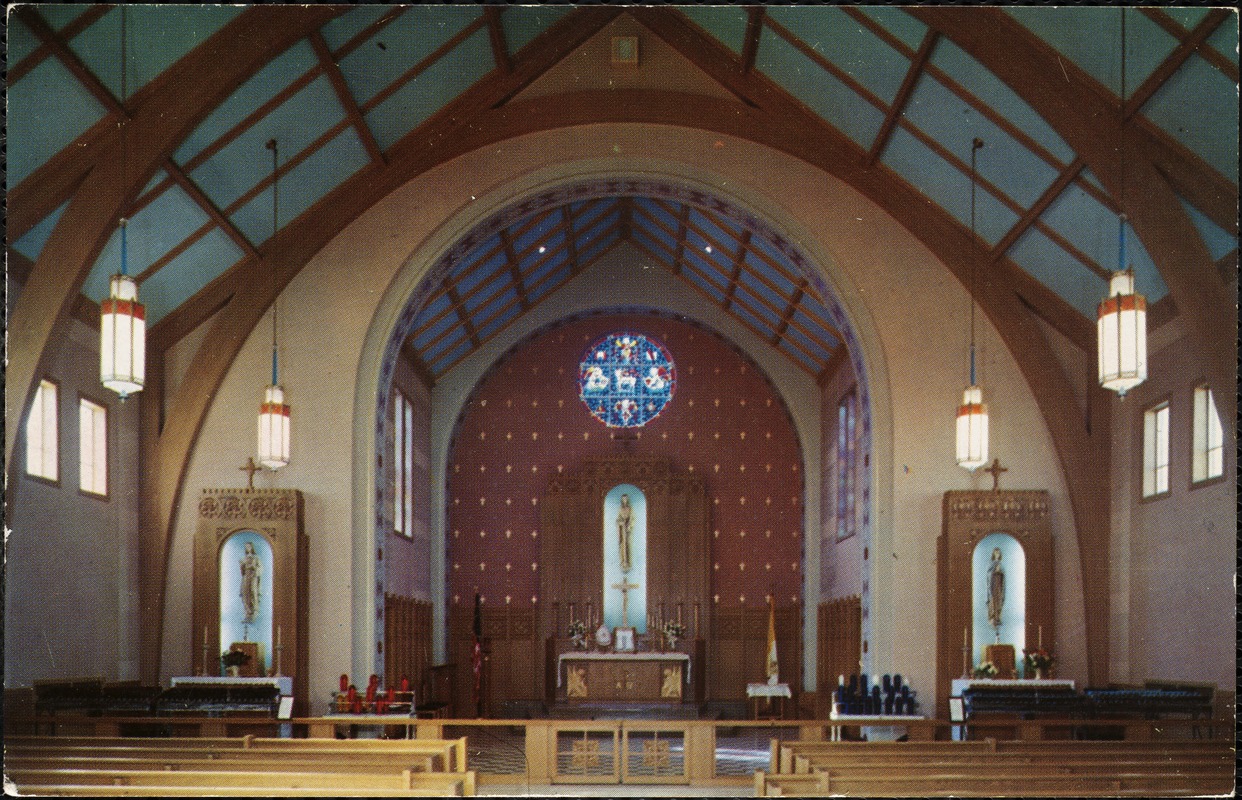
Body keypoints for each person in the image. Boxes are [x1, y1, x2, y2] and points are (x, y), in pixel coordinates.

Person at [240, 541, 261, 624]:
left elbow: (260, 569)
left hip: (253, 577)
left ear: (252, 548)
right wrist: (242, 565)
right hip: (246, 577)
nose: (248, 548)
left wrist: (254, 568)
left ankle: (254, 613)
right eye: (246, 547)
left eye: (249, 547)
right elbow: (242, 571)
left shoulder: (256, 558)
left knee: (253, 593)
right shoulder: (244, 558)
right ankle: (247, 613)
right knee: (246, 594)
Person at [986, 547, 1005, 633]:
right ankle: (993, 618)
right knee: (993, 602)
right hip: (993, 586)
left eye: (998, 553)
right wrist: (994, 571)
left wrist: (1000, 572)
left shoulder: (1001, 564)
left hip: (999, 587)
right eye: (995, 553)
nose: (997, 554)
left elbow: (1004, 578)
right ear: (993, 554)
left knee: (999, 602)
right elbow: (988, 574)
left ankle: (998, 618)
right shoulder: (992, 564)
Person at [616, 493, 633, 573]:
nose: (625, 500)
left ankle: (628, 562)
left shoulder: (630, 508)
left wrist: (629, 525)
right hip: (622, 528)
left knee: (627, 545)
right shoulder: (620, 508)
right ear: (622, 500)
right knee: (622, 545)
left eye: (626, 499)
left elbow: (632, 518)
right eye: (623, 499)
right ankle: (623, 562)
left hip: (627, 529)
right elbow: (618, 519)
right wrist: (620, 523)